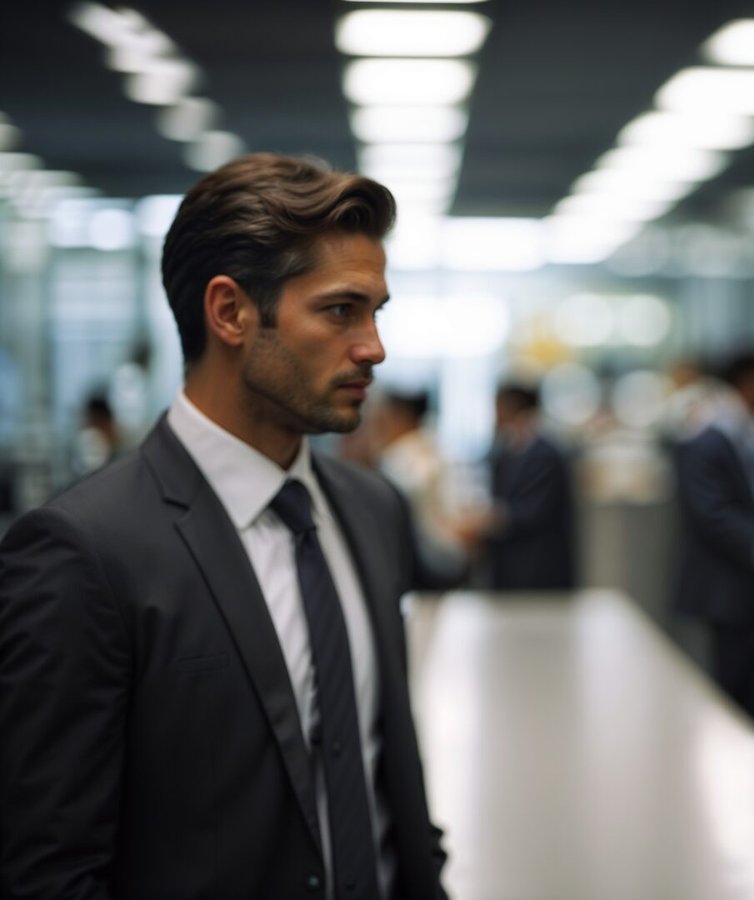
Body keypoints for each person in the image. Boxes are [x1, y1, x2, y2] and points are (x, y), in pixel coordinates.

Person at [0, 154, 449, 899]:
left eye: (377, 311)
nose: (373, 346)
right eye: (341, 310)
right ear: (231, 312)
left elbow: (387, 788)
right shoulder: (84, 551)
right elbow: (48, 870)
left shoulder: (372, 512)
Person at [671, 349, 754, 731]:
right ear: (749, 381)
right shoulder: (706, 439)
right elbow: (712, 515)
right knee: (728, 703)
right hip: (726, 589)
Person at [471, 382, 576, 591]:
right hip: (508, 563)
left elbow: (535, 511)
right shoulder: (505, 450)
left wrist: (492, 519)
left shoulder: (545, 454)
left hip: (538, 564)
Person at [373, 389, 468, 588]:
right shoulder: (434, 449)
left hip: (421, 558)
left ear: (400, 416)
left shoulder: (400, 457)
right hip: (448, 551)